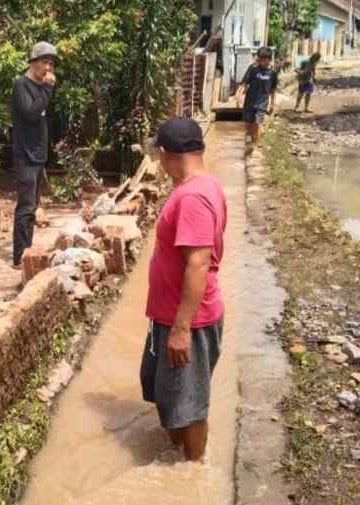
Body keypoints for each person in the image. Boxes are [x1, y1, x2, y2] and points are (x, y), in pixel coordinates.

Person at [140, 118, 227, 462]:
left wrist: (180, 329)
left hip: (188, 321)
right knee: (170, 394)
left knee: (189, 405)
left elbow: (198, 264)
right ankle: (177, 452)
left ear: (165, 154)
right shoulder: (204, 185)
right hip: (173, 315)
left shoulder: (192, 197)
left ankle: (192, 470)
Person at [11, 41, 58, 268]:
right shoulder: (21, 84)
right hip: (25, 155)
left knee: (34, 205)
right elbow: (30, 114)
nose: (48, 68)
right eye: (45, 62)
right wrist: (48, 89)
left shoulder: (41, 86)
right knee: (26, 207)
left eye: (51, 63)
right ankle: (19, 257)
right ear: (33, 62)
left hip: (38, 155)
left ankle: (28, 251)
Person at [236, 46, 277, 151]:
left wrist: (273, 103)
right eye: (260, 59)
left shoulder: (273, 73)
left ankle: (255, 146)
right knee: (248, 124)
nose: (262, 62)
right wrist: (239, 95)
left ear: (269, 59)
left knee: (258, 123)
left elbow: (273, 90)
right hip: (250, 101)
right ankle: (252, 138)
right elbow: (245, 83)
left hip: (262, 103)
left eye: (265, 59)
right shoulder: (253, 68)